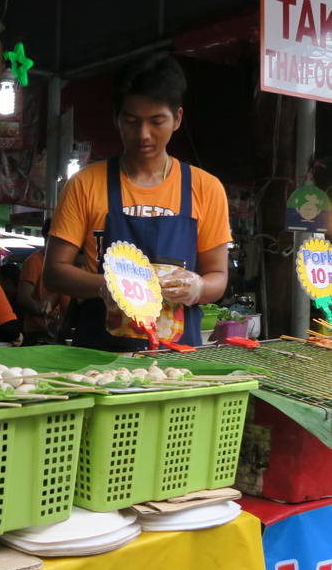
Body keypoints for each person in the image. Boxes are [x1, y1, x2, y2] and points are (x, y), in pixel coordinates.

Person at [43, 53, 231, 351]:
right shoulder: (85, 184)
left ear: (177, 119)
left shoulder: (205, 188)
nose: (143, 135)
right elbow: (54, 272)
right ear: (116, 119)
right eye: (131, 121)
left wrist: (198, 288)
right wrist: (106, 287)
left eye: (157, 121)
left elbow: (218, 277)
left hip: (177, 358)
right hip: (99, 356)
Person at [17, 220, 70, 344]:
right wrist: (44, 311)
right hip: (37, 332)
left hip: (59, 331)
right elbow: (23, 298)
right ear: (48, 237)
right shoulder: (34, 261)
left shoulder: (66, 263)